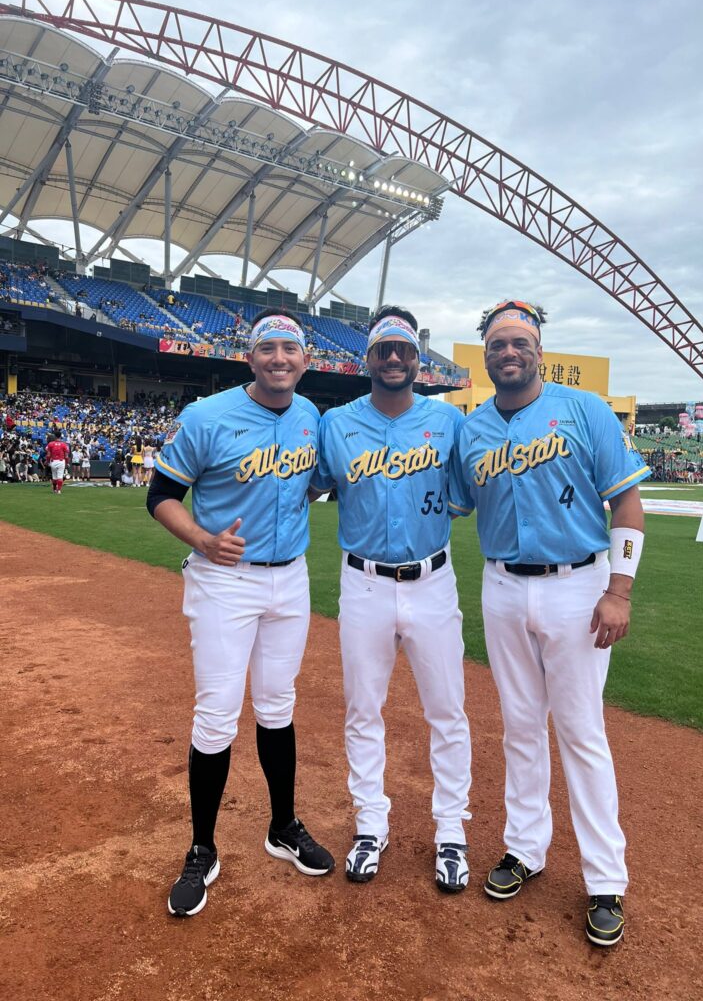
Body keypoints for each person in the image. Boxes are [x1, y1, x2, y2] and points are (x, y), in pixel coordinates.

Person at [449, 299, 649, 946]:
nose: (510, 352)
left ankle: (604, 880)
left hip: (578, 585)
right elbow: (450, 501)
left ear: (537, 349)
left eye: (519, 342)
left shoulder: (583, 409)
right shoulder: (473, 429)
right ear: (486, 355)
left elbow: (627, 500)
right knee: (519, 728)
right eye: (498, 343)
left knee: (582, 731)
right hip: (503, 585)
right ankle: (524, 850)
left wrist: (619, 590)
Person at [147, 307, 334, 919]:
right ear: (249, 358)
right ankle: (202, 847)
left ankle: (283, 826)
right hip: (225, 581)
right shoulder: (208, 415)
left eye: (291, 350)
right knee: (217, 715)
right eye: (268, 349)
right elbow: (162, 494)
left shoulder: (311, 416)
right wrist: (201, 540)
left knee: (279, 705)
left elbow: (310, 487)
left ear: (305, 360)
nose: (280, 359)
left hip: (291, 581)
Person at [310, 305, 472, 893]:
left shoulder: (447, 422)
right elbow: (302, 486)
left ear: (416, 357)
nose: (396, 358)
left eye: (405, 348)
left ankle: (451, 832)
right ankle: (369, 825)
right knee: (362, 709)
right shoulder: (336, 424)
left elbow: (471, 494)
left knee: (448, 711)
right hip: (364, 582)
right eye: (385, 349)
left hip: (433, 580)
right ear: (368, 359)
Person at [46, 429, 69, 495]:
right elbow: (66, 455)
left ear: (55, 436)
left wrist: (47, 461)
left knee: (54, 477)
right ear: (60, 436)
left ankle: (54, 489)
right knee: (60, 477)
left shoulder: (50, 444)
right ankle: (58, 490)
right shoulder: (64, 444)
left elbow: (48, 455)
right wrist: (67, 463)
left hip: (53, 461)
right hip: (61, 461)